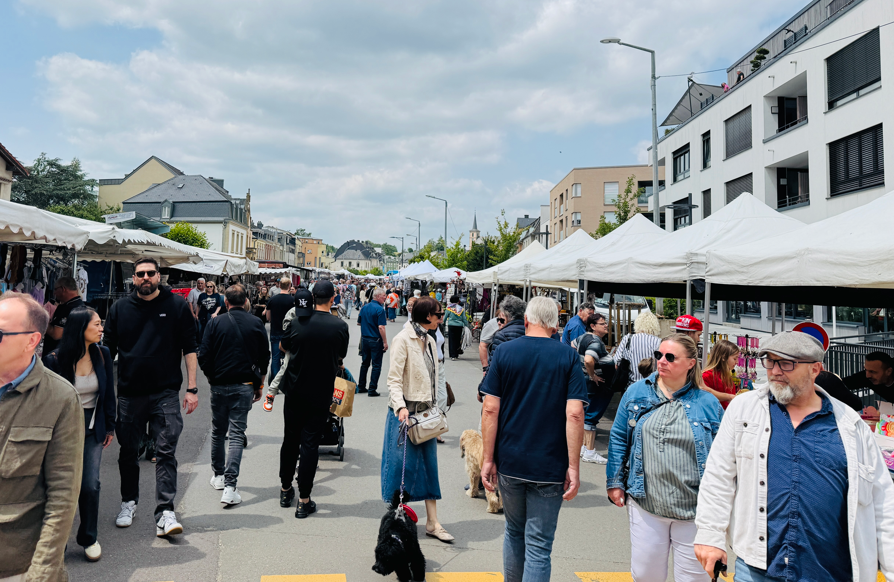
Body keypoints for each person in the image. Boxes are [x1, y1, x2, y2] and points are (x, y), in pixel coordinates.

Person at [694, 331, 894, 582]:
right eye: (770, 361)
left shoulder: (850, 424)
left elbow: (882, 502)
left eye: (787, 363)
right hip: (758, 569)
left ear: (815, 369)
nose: (775, 371)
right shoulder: (744, 410)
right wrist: (710, 535)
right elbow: (719, 476)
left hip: (828, 571)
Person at [480, 296, 587, 582]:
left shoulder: (504, 352)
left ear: (526, 320)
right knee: (539, 544)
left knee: (514, 532)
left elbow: (490, 409)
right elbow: (575, 414)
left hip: (510, 458)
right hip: (550, 463)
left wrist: (488, 458)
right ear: (555, 325)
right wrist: (573, 466)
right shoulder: (567, 356)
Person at [606, 333, 723, 582]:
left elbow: (723, 456)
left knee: (693, 579)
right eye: (659, 355)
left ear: (690, 363)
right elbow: (618, 437)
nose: (661, 361)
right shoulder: (636, 392)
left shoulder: (707, 403)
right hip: (646, 503)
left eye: (670, 357)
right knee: (645, 575)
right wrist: (614, 482)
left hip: (694, 509)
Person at [104, 257, 198, 537]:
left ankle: (165, 511)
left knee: (166, 451)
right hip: (130, 393)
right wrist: (103, 390)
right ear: (133, 278)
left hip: (165, 392)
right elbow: (107, 351)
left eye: (150, 273)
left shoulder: (176, 306)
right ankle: (128, 502)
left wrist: (192, 388)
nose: (145, 277)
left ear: (159, 276)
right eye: (140, 274)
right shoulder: (120, 309)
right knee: (128, 451)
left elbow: (190, 348)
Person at [0, 292, 83, 581]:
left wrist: (41, 574)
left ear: (31, 341)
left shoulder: (59, 398)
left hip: (17, 565)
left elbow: (63, 498)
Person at [43, 307, 116, 563]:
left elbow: (108, 393)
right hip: (62, 431)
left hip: (93, 427)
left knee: (90, 485)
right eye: (96, 324)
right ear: (80, 328)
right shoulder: (54, 360)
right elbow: (46, 401)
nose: (101, 328)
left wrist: (110, 426)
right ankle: (57, 540)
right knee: (60, 485)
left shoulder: (103, 354)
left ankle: (88, 537)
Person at [381, 296, 454, 543]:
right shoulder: (402, 339)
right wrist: (400, 406)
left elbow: (433, 377)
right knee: (401, 467)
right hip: (405, 412)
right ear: (427, 316)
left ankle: (433, 522)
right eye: (439, 314)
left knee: (429, 466)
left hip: (426, 414)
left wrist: (437, 406)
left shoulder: (430, 340)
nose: (441, 318)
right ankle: (395, 523)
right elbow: (393, 379)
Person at [278, 280, 349, 518]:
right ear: (332, 299)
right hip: (320, 392)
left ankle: (285, 489)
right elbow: (341, 354)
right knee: (310, 444)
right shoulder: (339, 326)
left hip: (295, 389)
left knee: (290, 440)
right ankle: (304, 500)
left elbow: (282, 346)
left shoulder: (297, 322)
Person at [198, 284, 270, 506]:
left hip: (219, 384)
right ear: (246, 301)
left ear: (226, 302)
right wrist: (260, 383)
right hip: (244, 383)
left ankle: (219, 476)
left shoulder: (215, 323)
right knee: (237, 434)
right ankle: (230, 486)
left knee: (218, 431)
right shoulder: (256, 323)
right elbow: (264, 356)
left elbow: (203, 355)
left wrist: (211, 376)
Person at [265, 288, 316, 410]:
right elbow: (286, 330)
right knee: (285, 366)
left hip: (311, 345)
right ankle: (271, 393)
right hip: (295, 344)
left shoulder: (316, 312)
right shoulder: (291, 313)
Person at [573, 313, 613, 464]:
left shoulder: (583, 337)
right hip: (597, 384)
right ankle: (589, 451)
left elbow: (573, 346)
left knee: (586, 415)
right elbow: (589, 360)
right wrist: (592, 375)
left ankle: (584, 448)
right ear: (593, 326)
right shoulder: (595, 341)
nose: (606, 325)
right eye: (602, 323)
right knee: (591, 417)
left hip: (585, 382)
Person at [613, 310, 663, 384]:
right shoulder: (658, 342)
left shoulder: (628, 339)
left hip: (631, 384)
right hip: (652, 384)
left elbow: (617, 362)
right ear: (655, 326)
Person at [357, 287, 388, 397]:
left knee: (365, 363)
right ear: (378, 296)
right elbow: (381, 327)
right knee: (376, 365)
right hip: (375, 339)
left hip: (365, 338)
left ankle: (361, 386)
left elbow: (359, 322)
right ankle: (372, 388)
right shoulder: (380, 309)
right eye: (384, 296)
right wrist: (385, 342)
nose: (385, 298)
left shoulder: (364, 307)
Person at [44, 275, 84, 354]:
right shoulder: (77, 305)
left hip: (59, 355)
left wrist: (42, 321)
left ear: (63, 289)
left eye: (56, 289)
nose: (54, 293)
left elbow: (56, 334)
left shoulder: (70, 308)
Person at [266, 278, 295, 384]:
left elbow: (268, 317)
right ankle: (287, 380)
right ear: (289, 286)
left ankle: (275, 382)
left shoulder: (272, 300)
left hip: (275, 331)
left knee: (275, 358)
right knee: (290, 357)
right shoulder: (293, 300)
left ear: (279, 285)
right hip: (289, 333)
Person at [700, 339, 741, 409]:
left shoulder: (727, 376)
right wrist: (728, 397)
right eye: (734, 359)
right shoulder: (707, 375)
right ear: (724, 357)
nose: (737, 362)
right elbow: (704, 394)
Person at [445, 295, 469, 361]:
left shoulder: (449, 308)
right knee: (458, 340)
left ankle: (452, 355)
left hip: (451, 325)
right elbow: (464, 318)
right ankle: (456, 354)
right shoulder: (461, 309)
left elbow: (445, 316)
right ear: (458, 301)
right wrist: (466, 325)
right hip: (459, 326)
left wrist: (443, 323)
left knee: (451, 340)